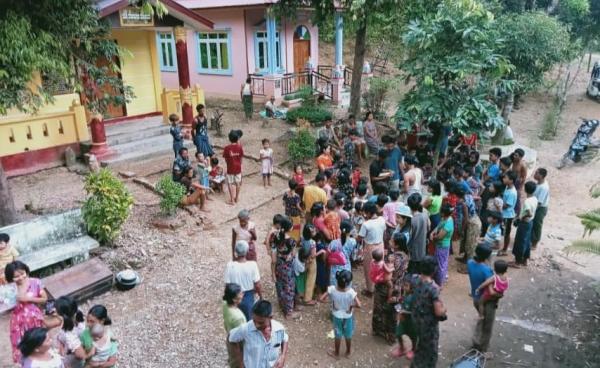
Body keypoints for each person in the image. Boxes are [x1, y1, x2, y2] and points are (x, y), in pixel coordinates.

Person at [5, 261, 47, 363]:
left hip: (35, 319)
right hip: (18, 322)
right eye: (16, 276)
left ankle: (41, 361)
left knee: (37, 340)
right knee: (21, 343)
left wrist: (28, 299)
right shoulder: (10, 289)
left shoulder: (35, 282)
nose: (20, 278)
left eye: (22, 274)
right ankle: (27, 363)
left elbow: (44, 299)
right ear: (10, 277)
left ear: (26, 271)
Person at [410, 256, 447, 368]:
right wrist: (444, 309)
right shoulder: (433, 289)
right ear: (434, 270)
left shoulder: (414, 279)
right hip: (428, 324)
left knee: (421, 344)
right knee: (430, 351)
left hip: (416, 319)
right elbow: (438, 312)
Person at [229, 300, 289, 368]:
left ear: (270, 317)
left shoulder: (279, 329)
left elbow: (285, 339)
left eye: (261, 322)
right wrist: (239, 362)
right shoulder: (246, 329)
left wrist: (283, 356)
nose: (256, 325)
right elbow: (232, 339)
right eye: (254, 321)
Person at [320, 270, 361, 359]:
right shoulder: (351, 292)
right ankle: (348, 352)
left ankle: (337, 353)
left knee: (338, 335)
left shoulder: (332, 289)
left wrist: (331, 302)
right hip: (348, 316)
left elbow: (321, 299)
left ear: (337, 280)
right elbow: (359, 305)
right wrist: (351, 306)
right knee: (348, 335)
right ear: (348, 283)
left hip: (337, 316)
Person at [467, 245, 496, 354]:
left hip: (476, 298)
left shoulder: (470, 263)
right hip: (486, 301)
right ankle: (483, 350)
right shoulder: (486, 270)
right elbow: (491, 290)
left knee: (481, 320)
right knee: (487, 326)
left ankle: (476, 344)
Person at [225, 240, 262, 321]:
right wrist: (260, 296)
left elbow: (227, 285)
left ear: (236, 252)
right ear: (247, 251)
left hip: (233, 296)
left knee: (235, 319)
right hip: (248, 296)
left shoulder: (230, 265)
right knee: (248, 319)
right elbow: (257, 285)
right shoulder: (253, 265)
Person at [357, 202, 387, 297]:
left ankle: (370, 290)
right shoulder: (382, 219)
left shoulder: (366, 224)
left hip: (370, 247)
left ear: (368, 213)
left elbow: (360, 238)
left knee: (369, 269)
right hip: (380, 245)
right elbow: (384, 231)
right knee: (379, 267)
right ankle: (378, 285)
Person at [271, 217, 298, 319]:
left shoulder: (276, 236)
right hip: (287, 267)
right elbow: (293, 254)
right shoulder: (291, 241)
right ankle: (289, 312)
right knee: (289, 288)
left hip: (278, 264)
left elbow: (273, 255)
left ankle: (282, 305)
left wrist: (272, 271)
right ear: (289, 228)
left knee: (280, 285)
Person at [54, 296, 90, 367]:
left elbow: (81, 355)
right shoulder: (78, 315)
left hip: (72, 361)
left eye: (56, 310)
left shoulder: (69, 335)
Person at [510, 181, 538, 268]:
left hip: (525, 222)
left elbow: (529, 213)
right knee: (527, 241)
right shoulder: (535, 199)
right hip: (530, 222)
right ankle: (525, 260)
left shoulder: (527, 201)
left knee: (520, 241)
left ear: (525, 189)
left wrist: (521, 217)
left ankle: (518, 262)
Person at [429, 203, 454, 287]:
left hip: (442, 246)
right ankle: (443, 277)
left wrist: (433, 237)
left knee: (440, 265)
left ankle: (439, 283)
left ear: (443, 213)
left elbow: (440, 236)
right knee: (443, 262)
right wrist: (433, 232)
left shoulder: (448, 224)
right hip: (442, 245)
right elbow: (438, 227)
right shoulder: (446, 219)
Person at [222, 283, 246, 368]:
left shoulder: (225, 304)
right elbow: (242, 336)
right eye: (240, 294)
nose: (242, 294)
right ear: (234, 299)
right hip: (238, 344)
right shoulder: (238, 317)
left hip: (230, 335)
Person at [327, 220, 357, 286]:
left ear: (340, 229)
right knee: (346, 286)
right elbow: (354, 256)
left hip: (335, 269)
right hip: (346, 267)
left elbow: (328, 255)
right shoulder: (353, 242)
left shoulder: (333, 243)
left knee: (335, 286)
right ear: (350, 230)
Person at [407, 193, 430, 275]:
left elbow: (409, 235)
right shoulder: (425, 215)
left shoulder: (411, 220)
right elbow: (429, 227)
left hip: (413, 248)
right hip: (423, 244)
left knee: (413, 268)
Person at [498, 171, 518, 257]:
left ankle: (505, 249)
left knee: (506, 233)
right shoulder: (507, 187)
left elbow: (507, 205)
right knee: (504, 231)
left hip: (508, 216)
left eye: (505, 178)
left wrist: (498, 204)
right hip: (504, 214)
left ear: (511, 180)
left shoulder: (512, 192)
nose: (503, 179)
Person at [223, 130, 244, 205]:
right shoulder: (240, 147)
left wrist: (229, 164)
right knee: (238, 183)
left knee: (230, 183)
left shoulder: (227, 148)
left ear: (229, 139)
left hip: (230, 168)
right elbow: (241, 158)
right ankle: (237, 198)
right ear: (237, 139)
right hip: (238, 168)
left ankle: (232, 200)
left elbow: (225, 159)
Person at [532, 168, 549, 250]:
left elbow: (539, 202)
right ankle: (531, 240)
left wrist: (532, 210)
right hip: (535, 206)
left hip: (540, 208)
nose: (534, 174)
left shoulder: (544, 187)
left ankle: (535, 243)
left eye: (537, 173)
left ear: (541, 176)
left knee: (537, 225)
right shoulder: (538, 184)